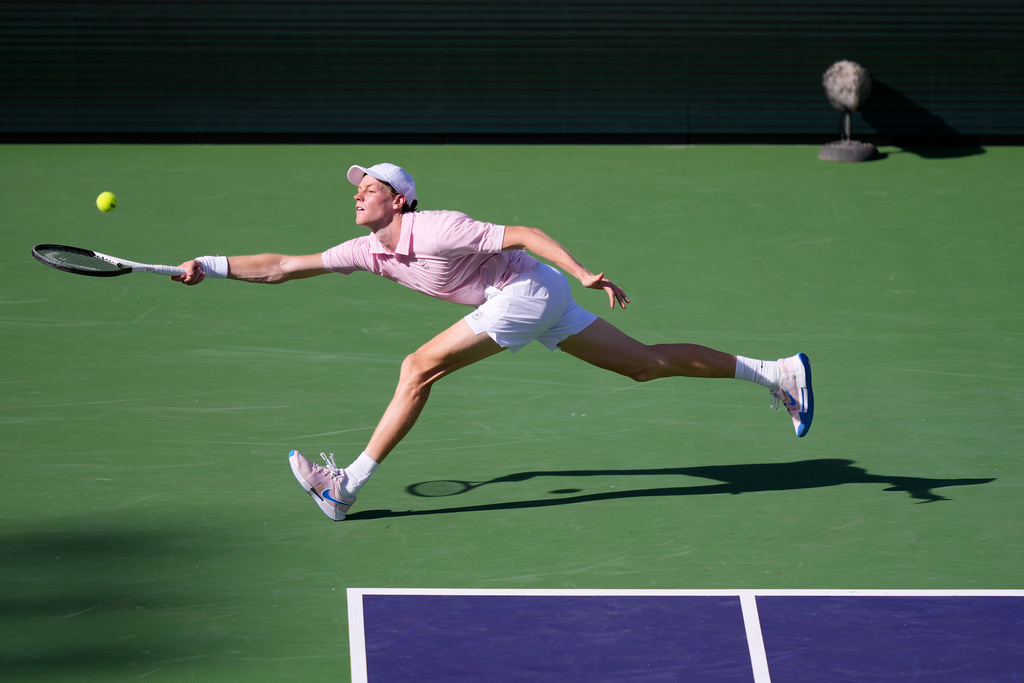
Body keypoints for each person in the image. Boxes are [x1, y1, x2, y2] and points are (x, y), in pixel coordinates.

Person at [174, 162, 813, 521]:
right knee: (644, 366)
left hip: (531, 292)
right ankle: (777, 373)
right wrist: (211, 262)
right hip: (536, 302)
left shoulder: (440, 227)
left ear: (398, 200)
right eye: (356, 189)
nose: (356, 195)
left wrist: (583, 271)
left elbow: (524, 232)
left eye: (367, 188)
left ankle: (346, 486)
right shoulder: (365, 250)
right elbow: (284, 265)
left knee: (418, 366)